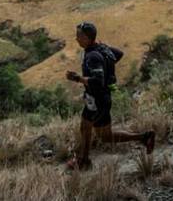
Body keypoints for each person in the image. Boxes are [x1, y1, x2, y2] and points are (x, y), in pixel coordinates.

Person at [65, 21, 155, 170]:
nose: (76, 39)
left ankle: (83, 161)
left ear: (87, 38)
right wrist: (107, 61)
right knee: (105, 136)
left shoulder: (93, 56)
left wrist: (77, 78)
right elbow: (118, 54)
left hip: (97, 100)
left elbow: (97, 81)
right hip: (104, 99)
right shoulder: (101, 49)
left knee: (85, 127)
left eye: (79, 36)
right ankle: (144, 137)